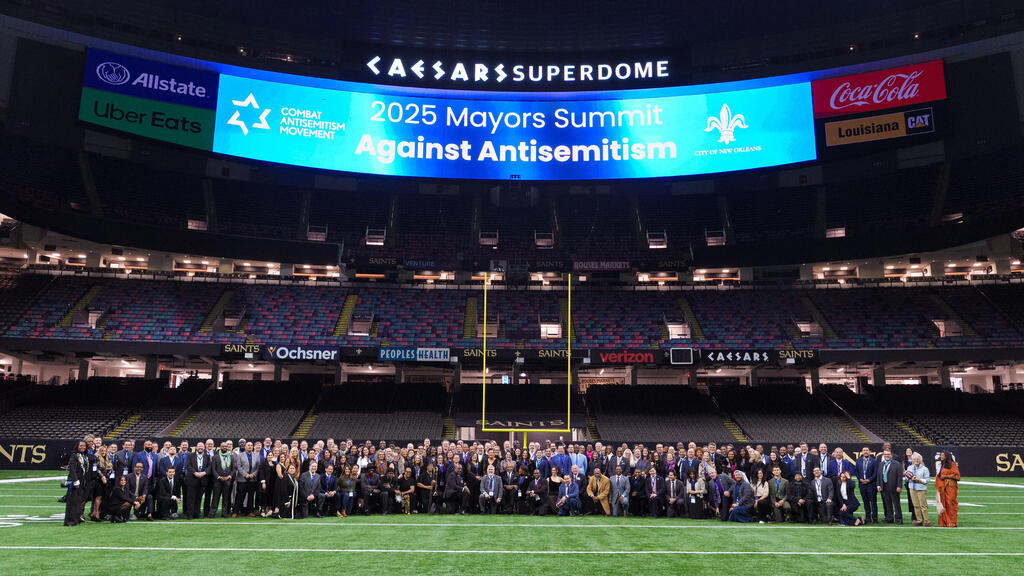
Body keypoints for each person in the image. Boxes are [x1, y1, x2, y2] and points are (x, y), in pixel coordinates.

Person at [184, 441, 212, 519]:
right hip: (192, 479)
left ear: (204, 448)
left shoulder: (207, 456)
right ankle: (190, 514)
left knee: (199, 498)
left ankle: (197, 513)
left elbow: (209, 466)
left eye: (202, 446)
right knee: (191, 498)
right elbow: (188, 465)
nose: (200, 448)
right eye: (199, 446)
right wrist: (195, 473)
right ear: (196, 447)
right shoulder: (190, 455)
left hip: (202, 480)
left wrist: (204, 473)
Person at [233, 440, 260, 518]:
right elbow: (239, 466)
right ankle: (236, 511)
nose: (250, 446)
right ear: (245, 446)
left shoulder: (256, 455)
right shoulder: (240, 455)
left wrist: (253, 474)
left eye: (251, 445)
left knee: (251, 497)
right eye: (248, 445)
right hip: (242, 479)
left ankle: (250, 511)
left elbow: (258, 467)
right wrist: (246, 474)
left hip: (252, 480)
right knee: (239, 496)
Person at [64, 441, 88, 526]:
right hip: (76, 482)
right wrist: (75, 481)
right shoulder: (74, 455)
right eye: (81, 445)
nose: (83, 447)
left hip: (82, 481)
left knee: (78, 501)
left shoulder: (84, 456)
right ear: (77, 446)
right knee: (72, 501)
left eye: (84, 446)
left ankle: (76, 519)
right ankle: (70, 521)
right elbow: (72, 469)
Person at [877, 449, 904, 524]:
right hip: (884, 487)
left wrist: (899, 486)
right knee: (887, 504)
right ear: (883, 455)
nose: (887, 456)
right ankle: (889, 518)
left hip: (894, 487)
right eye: (885, 454)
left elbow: (899, 476)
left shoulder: (897, 464)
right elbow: (879, 475)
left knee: (896, 504)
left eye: (888, 454)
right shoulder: (881, 464)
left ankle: (899, 519)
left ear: (891, 455)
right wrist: (878, 485)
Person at [935, 451, 960, 527]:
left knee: (950, 503)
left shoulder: (953, 464)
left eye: (943, 455)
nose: (941, 456)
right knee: (943, 504)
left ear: (947, 456)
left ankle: (952, 522)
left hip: (951, 487)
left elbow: (957, 476)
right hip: (942, 487)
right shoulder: (941, 464)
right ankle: (944, 521)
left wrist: (946, 476)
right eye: (941, 455)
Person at [906, 452, 931, 527]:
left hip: (921, 488)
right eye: (915, 459)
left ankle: (927, 521)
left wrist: (918, 480)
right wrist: (908, 477)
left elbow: (927, 480)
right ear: (912, 460)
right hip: (912, 488)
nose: (916, 460)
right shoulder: (909, 467)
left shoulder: (924, 469)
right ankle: (919, 520)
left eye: (918, 459)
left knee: (923, 505)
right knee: (916, 505)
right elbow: (907, 480)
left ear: (920, 460)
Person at [855, 447, 878, 523]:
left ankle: (875, 518)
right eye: (864, 450)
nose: (865, 452)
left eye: (867, 450)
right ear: (862, 452)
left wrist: (869, 480)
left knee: (873, 502)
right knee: (865, 502)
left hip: (871, 485)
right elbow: (856, 472)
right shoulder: (858, 461)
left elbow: (875, 473)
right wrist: (860, 479)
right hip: (862, 485)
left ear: (870, 452)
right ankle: (868, 517)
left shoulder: (874, 461)